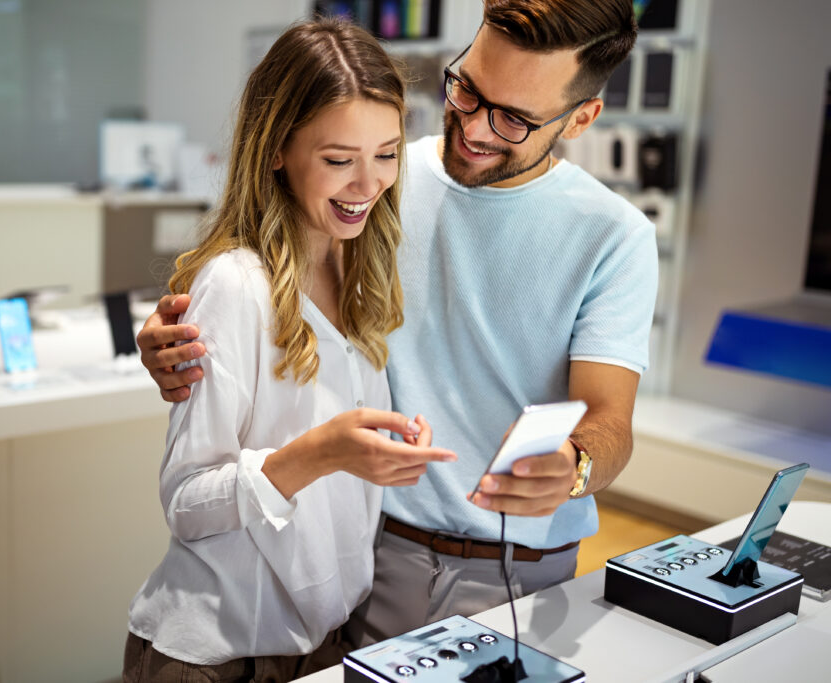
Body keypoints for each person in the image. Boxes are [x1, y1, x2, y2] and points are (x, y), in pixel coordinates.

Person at [137, 0, 657, 648]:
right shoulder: (378, 174)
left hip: (522, 572)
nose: (472, 127)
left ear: (582, 117)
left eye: (514, 119)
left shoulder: (615, 236)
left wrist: (575, 465)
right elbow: (260, 265)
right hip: (371, 556)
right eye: (467, 87)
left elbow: (610, 420)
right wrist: (180, 332)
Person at [122, 18, 458, 683]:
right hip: (220, 654)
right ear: (277, 149)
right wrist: (320, 452)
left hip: (322, 642)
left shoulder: (359, 269)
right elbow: (187, 501)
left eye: (387, 153)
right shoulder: (235, 286)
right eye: (339, 159)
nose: (369, 183)